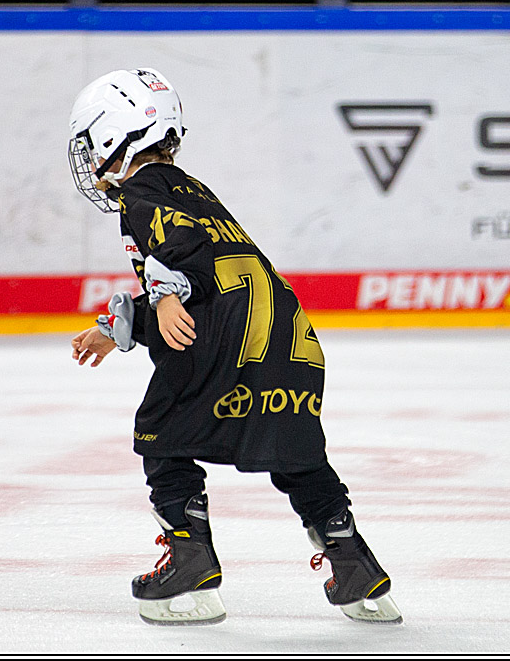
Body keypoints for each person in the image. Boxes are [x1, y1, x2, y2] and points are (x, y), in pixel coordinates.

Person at [67, 68, 401, 626]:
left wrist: (164, 292)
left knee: (161, 434)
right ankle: (355, 565)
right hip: (291, 348)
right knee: (296, 457)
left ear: (112, 136)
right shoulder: (194, 190)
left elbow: (169, 255)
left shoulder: (140, 193)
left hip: (225, 348)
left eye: (89, 145)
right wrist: (120, 324)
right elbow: (212, 274)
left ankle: (192, 562)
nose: (89, 163)